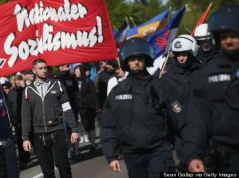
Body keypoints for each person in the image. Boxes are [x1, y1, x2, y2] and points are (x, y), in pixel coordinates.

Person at [100, 37, 175, 178]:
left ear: (146, 59)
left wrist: (188, 149)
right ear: (126, 62)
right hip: (132, 154)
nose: (136, 62)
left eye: (140, 58)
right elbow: (107, 125)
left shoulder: (160, 86)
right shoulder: (118, 91)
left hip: (159, 150)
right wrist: (112, 155)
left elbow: (176, 118)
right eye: (132, 58)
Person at [184, 4, 239, 172]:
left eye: (233, 35)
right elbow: (197, 117)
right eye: (223, 37)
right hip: (225, 157)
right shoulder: (207, 73)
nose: (228, 40)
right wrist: (193, 154)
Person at [21, 59, 79, 178]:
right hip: (39, 134)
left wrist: (74, 129)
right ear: (34, 71)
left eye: (45, 68)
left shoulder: (57, 85)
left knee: (63, 166)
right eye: (40, 68)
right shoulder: (28, 90)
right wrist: (25, 137)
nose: (44, 70)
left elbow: (67, 108)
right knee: (47, 171)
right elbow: (25, 115)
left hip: (58, 131)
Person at [161, 34, 202, 171]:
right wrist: (183, 128)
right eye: (178, 55)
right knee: (186, 163)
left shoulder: (202, 71)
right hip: (181, 129)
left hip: (204, 128)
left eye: (184, 54)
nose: (181, 58)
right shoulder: (168, 76)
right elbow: (171, 105)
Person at [74, 64, 100, 152]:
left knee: (90, 126)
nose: (76, 73)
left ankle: (93, 144)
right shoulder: (74, 82)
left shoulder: (89, 81)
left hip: (89, 107)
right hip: (79, 108)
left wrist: (97, 106)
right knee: (83, 126)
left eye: (77, 72)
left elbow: (94, 94)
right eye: (75, 72)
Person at [7, 74, 30, 169]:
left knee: (32, 138)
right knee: (21, 142)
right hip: (18, 121)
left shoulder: (26, 90)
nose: (17, 83)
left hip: (28, 118)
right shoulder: (11, 94)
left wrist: (24, 86)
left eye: (19, 81)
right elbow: (10, 108)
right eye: (15, 82)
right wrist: (13, 121)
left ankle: (28, 156)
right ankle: (23, 160)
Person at [57, 64, 80, 159]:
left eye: (68, 66)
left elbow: (76, 92)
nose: (68, 67)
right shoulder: (57, 79)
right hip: (63, 109)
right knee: (65, 132)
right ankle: (68, 153)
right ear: (61, 67)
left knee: (74, 129)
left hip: (73, 107)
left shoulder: (72, 78)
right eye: (66, 66)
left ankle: (76, 151)